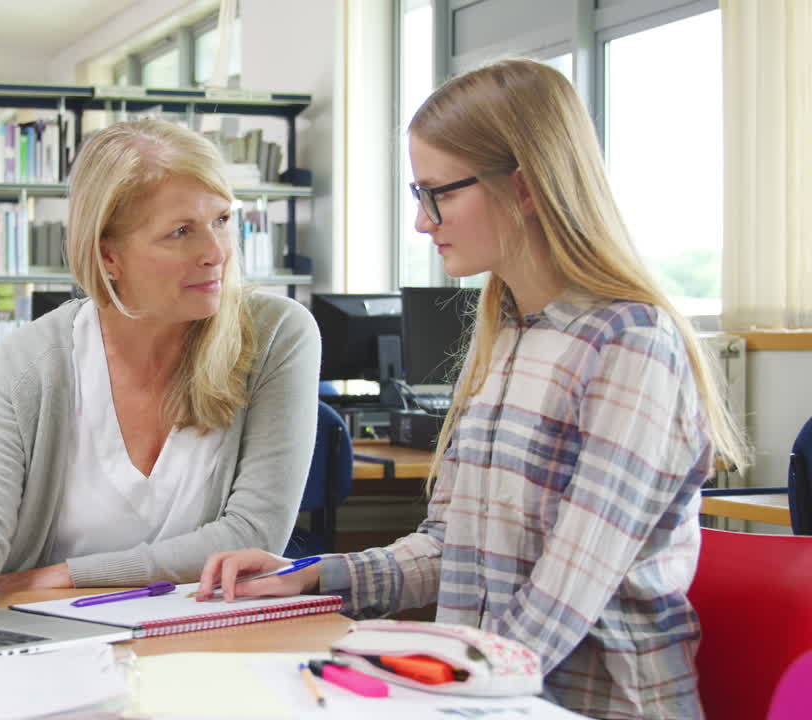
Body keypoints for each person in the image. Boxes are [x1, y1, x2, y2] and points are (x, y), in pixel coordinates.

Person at [197, 59, 747, 720]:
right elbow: (449, 550)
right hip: (492, 695)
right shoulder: (504, 336)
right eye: (417, 195)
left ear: (525, 188)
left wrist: (426, 686)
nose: (423, 224)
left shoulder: (629, 346)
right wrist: (309, 577)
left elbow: (561, 597)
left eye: (439, 194)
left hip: (588, 705)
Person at [0, 117, 321, 595]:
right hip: (56, 641)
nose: (215, 252)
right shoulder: (29, 363)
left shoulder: (277, 334)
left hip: (210, 638)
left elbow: (254, 535)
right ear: (109, 255)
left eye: (222, 220)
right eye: (180, 232)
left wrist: (75, 574)